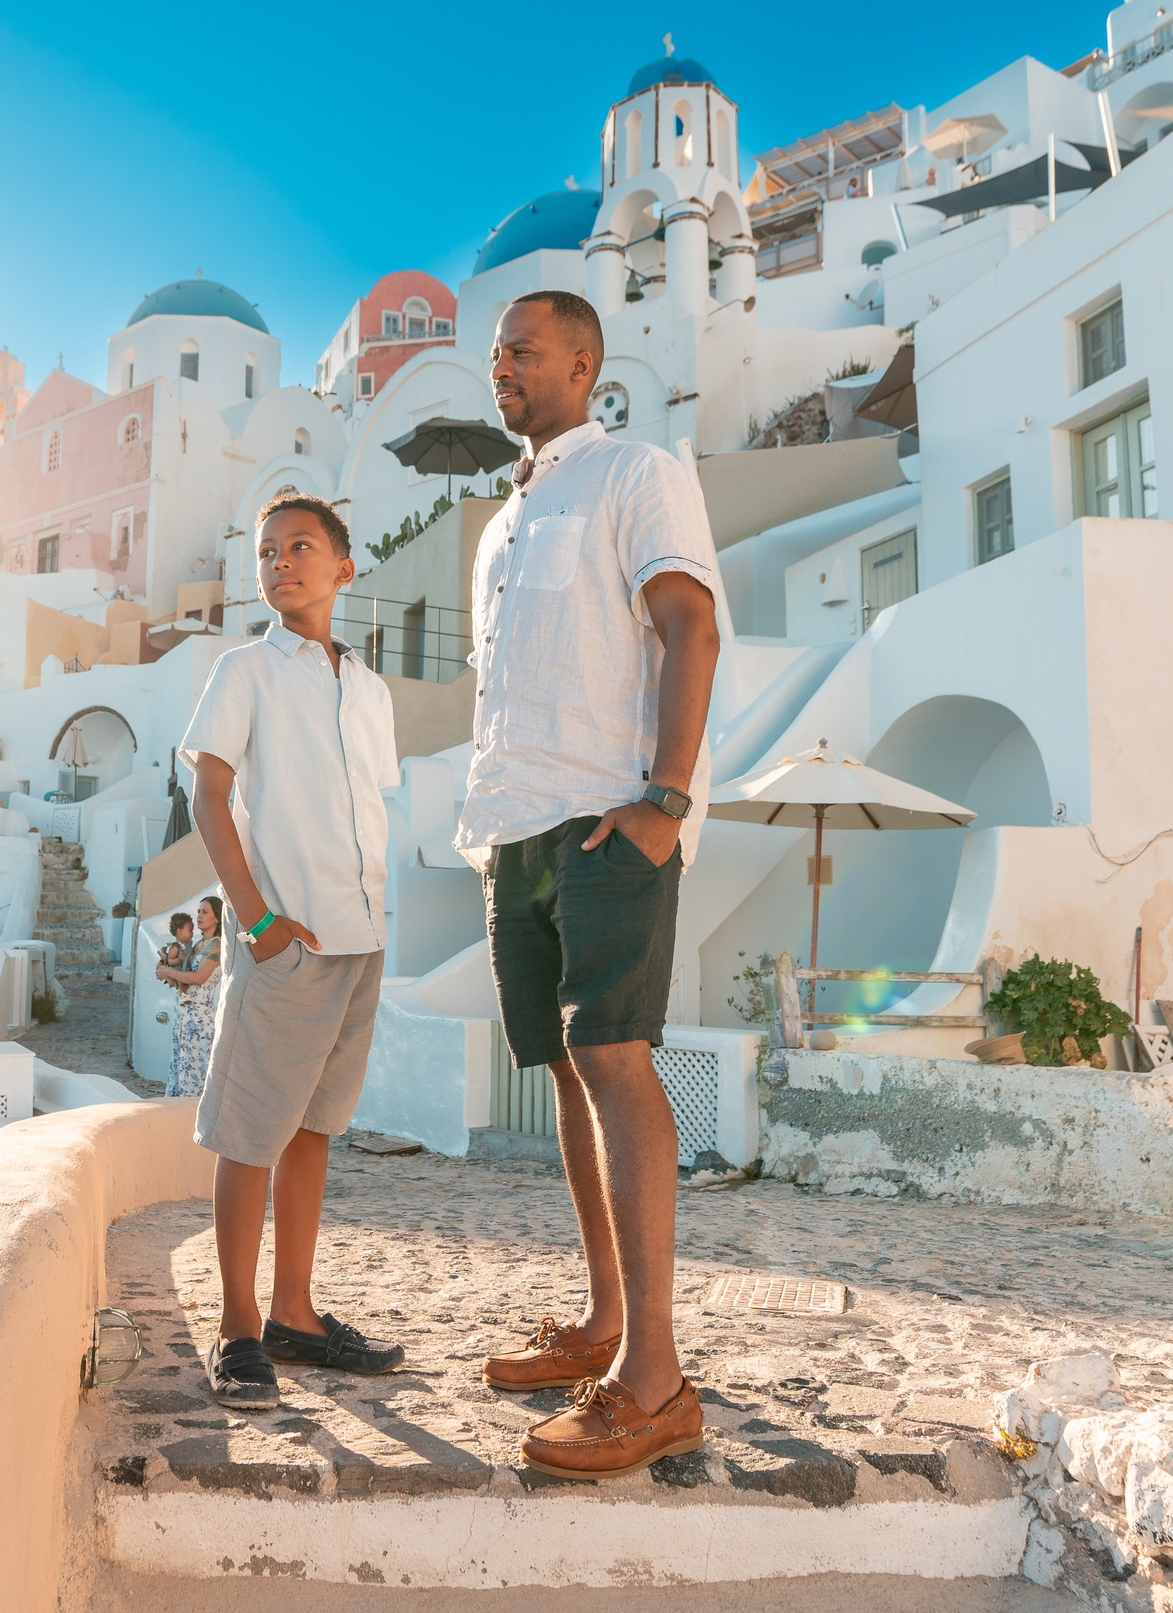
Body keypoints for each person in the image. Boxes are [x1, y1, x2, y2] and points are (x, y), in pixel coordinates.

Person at [459, 288, 725, 1480]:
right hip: (513, 830)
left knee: (614, 1059)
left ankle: (656, 1385)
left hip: (606, 821)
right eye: (495, 353)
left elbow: (690, 625)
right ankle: (606, 1327)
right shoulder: (501, 523)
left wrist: (664, 800)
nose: (501, 366)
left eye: (522, 349)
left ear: (583, 364)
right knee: (566, 1071)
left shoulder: (634, 472)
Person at [179, 493, 405, 1409]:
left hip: (360, 941)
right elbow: (210, 797)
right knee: (251, 1135)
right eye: (268, 552)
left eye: (302, 547)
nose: (281, 563)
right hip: (287, 945)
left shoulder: (372, 686)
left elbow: (363, 805)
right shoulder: (245, 671)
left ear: (344, 568)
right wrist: (258, 922)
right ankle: (238, 1329)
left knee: (313, 1130)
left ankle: (296, 1315)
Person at [158, 897, 224, 1098]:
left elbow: (199, 977)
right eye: (198, 911)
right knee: (182, 1065)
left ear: (217, 918)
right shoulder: (196, 945)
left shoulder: (215, 946)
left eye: (205, 912)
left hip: (200, 1018)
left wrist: (170, 973)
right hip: (184, 1016)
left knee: (196, 1068)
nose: (199, 916)